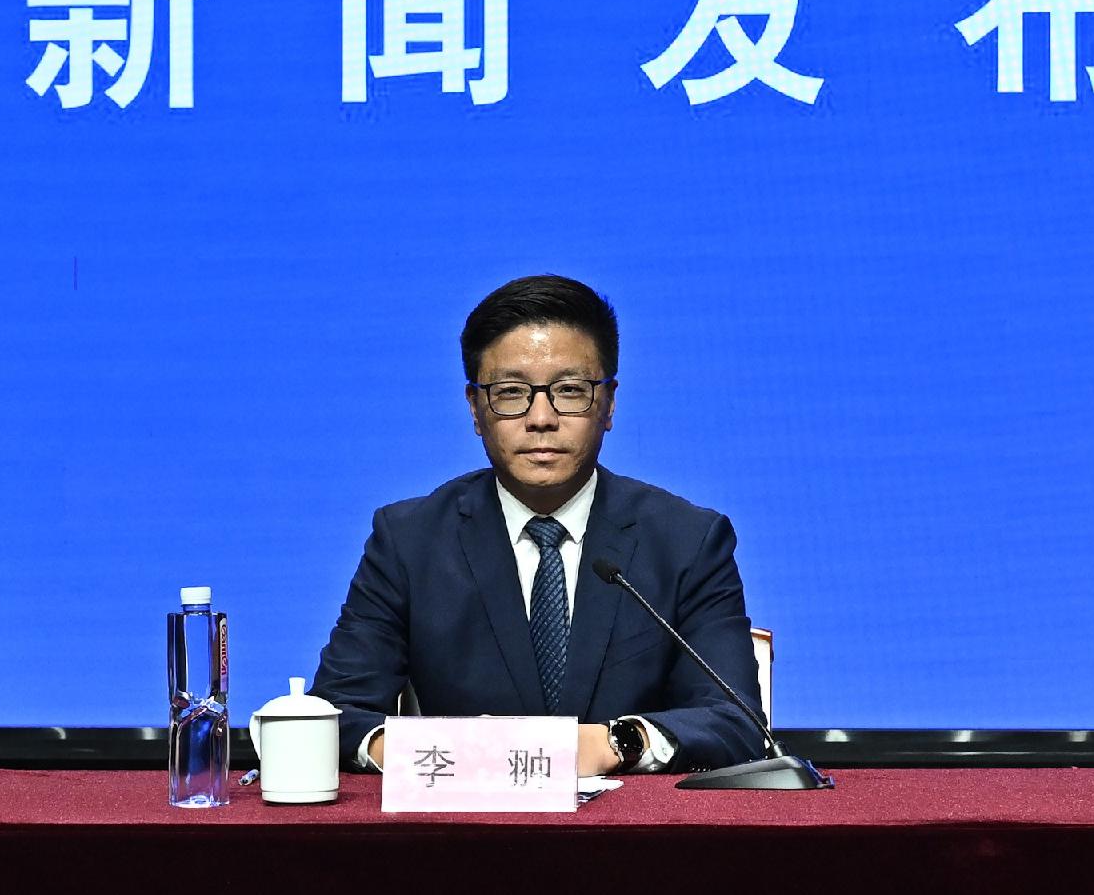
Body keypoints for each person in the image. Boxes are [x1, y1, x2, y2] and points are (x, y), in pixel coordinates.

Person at [312, 276, 765, 778]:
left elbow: (735, 720)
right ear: (475, 410)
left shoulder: (687, 541)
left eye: (570, 390)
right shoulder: (410, 540)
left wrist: (614, 742)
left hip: (633, 842)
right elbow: (333, 714)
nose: (542, 417)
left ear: (609, 403)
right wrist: (440, 751)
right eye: (511, 393)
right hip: (462, 840)